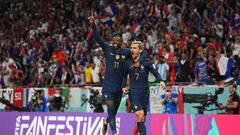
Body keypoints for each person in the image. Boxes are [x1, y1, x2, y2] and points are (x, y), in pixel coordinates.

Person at [88, 15, 148, 135]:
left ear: (121, 42)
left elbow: (144, 53)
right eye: (113, 40)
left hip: (119, 88)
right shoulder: (107, 49)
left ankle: (105, 122)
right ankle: (114, 133)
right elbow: (98, 38)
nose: (115, 42)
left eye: (118, 40)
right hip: (108, 87)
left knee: (113, 114)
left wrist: (139, 62)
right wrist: (93, 25)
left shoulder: (126, 52)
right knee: (110, 110)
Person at [122, 41, 165, 135]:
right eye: (131, 47)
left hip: (145, 93)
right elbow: (124, 76)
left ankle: (135, 132)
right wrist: (123, 86)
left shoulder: (147, 62)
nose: (132, 50)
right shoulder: (127, 62)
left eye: (135, 48)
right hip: (133, 93)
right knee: (139, 115)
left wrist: (161, 81)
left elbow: (155, 72)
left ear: (140, 50)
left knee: (142, 119)